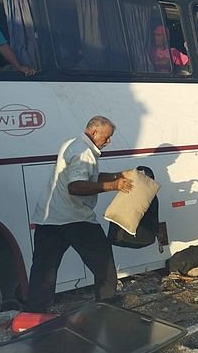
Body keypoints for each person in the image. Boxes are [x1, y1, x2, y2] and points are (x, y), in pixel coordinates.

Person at [27, 116, 133, 312]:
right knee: (104, 266)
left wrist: (118, 175)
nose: (108, 141)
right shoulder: (84, 152)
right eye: (107, 137)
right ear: (94, 132)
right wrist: (113, 185)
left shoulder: (73, 144)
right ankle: (106, 306)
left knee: (43, 271)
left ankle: (35, 315)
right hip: (75, 218)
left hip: (49, 218)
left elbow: (90, 177)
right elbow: (75, 186)